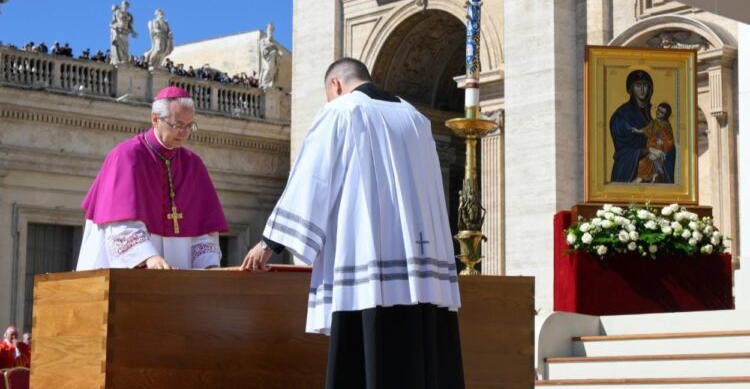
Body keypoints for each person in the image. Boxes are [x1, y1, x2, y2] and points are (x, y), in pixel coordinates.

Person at [240, 58, 464, 389]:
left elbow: (313, 179)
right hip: (421, 273)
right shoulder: (416, 118)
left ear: (335, 86)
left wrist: (269, 243)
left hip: (369, 265)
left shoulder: (342, 111)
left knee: (368, 363)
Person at [76, 86, 228, 270]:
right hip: (132, 272)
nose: (184, 133)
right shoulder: (127, 156)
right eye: (178, 125)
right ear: (155, 119)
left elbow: (203, 230)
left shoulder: (193, 165)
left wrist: (209, 265)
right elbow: (120, 223)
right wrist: (147, 257)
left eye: (190, 126)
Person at [610, 69, 656, 182]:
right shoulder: (621, 116)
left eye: (645, 85)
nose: (642, 89)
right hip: (628, 171)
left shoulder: (651, 115)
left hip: (651, 166)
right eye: (638, 85)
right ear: (631, 89)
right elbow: (622, 150)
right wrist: (643, 151)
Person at [631, 102, 675, 183]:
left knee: (653, 159)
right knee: (643, 163)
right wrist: (637, 130)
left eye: (662, 112)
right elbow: (645, 130)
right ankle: (651, 176)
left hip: (660, 149)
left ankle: (656, 174)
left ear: (666, 115)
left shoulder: (667, 126)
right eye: (658, 110)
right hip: (651, 147)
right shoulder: (654, 122)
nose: (658, 113)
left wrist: (663, 141)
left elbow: (670, 141)